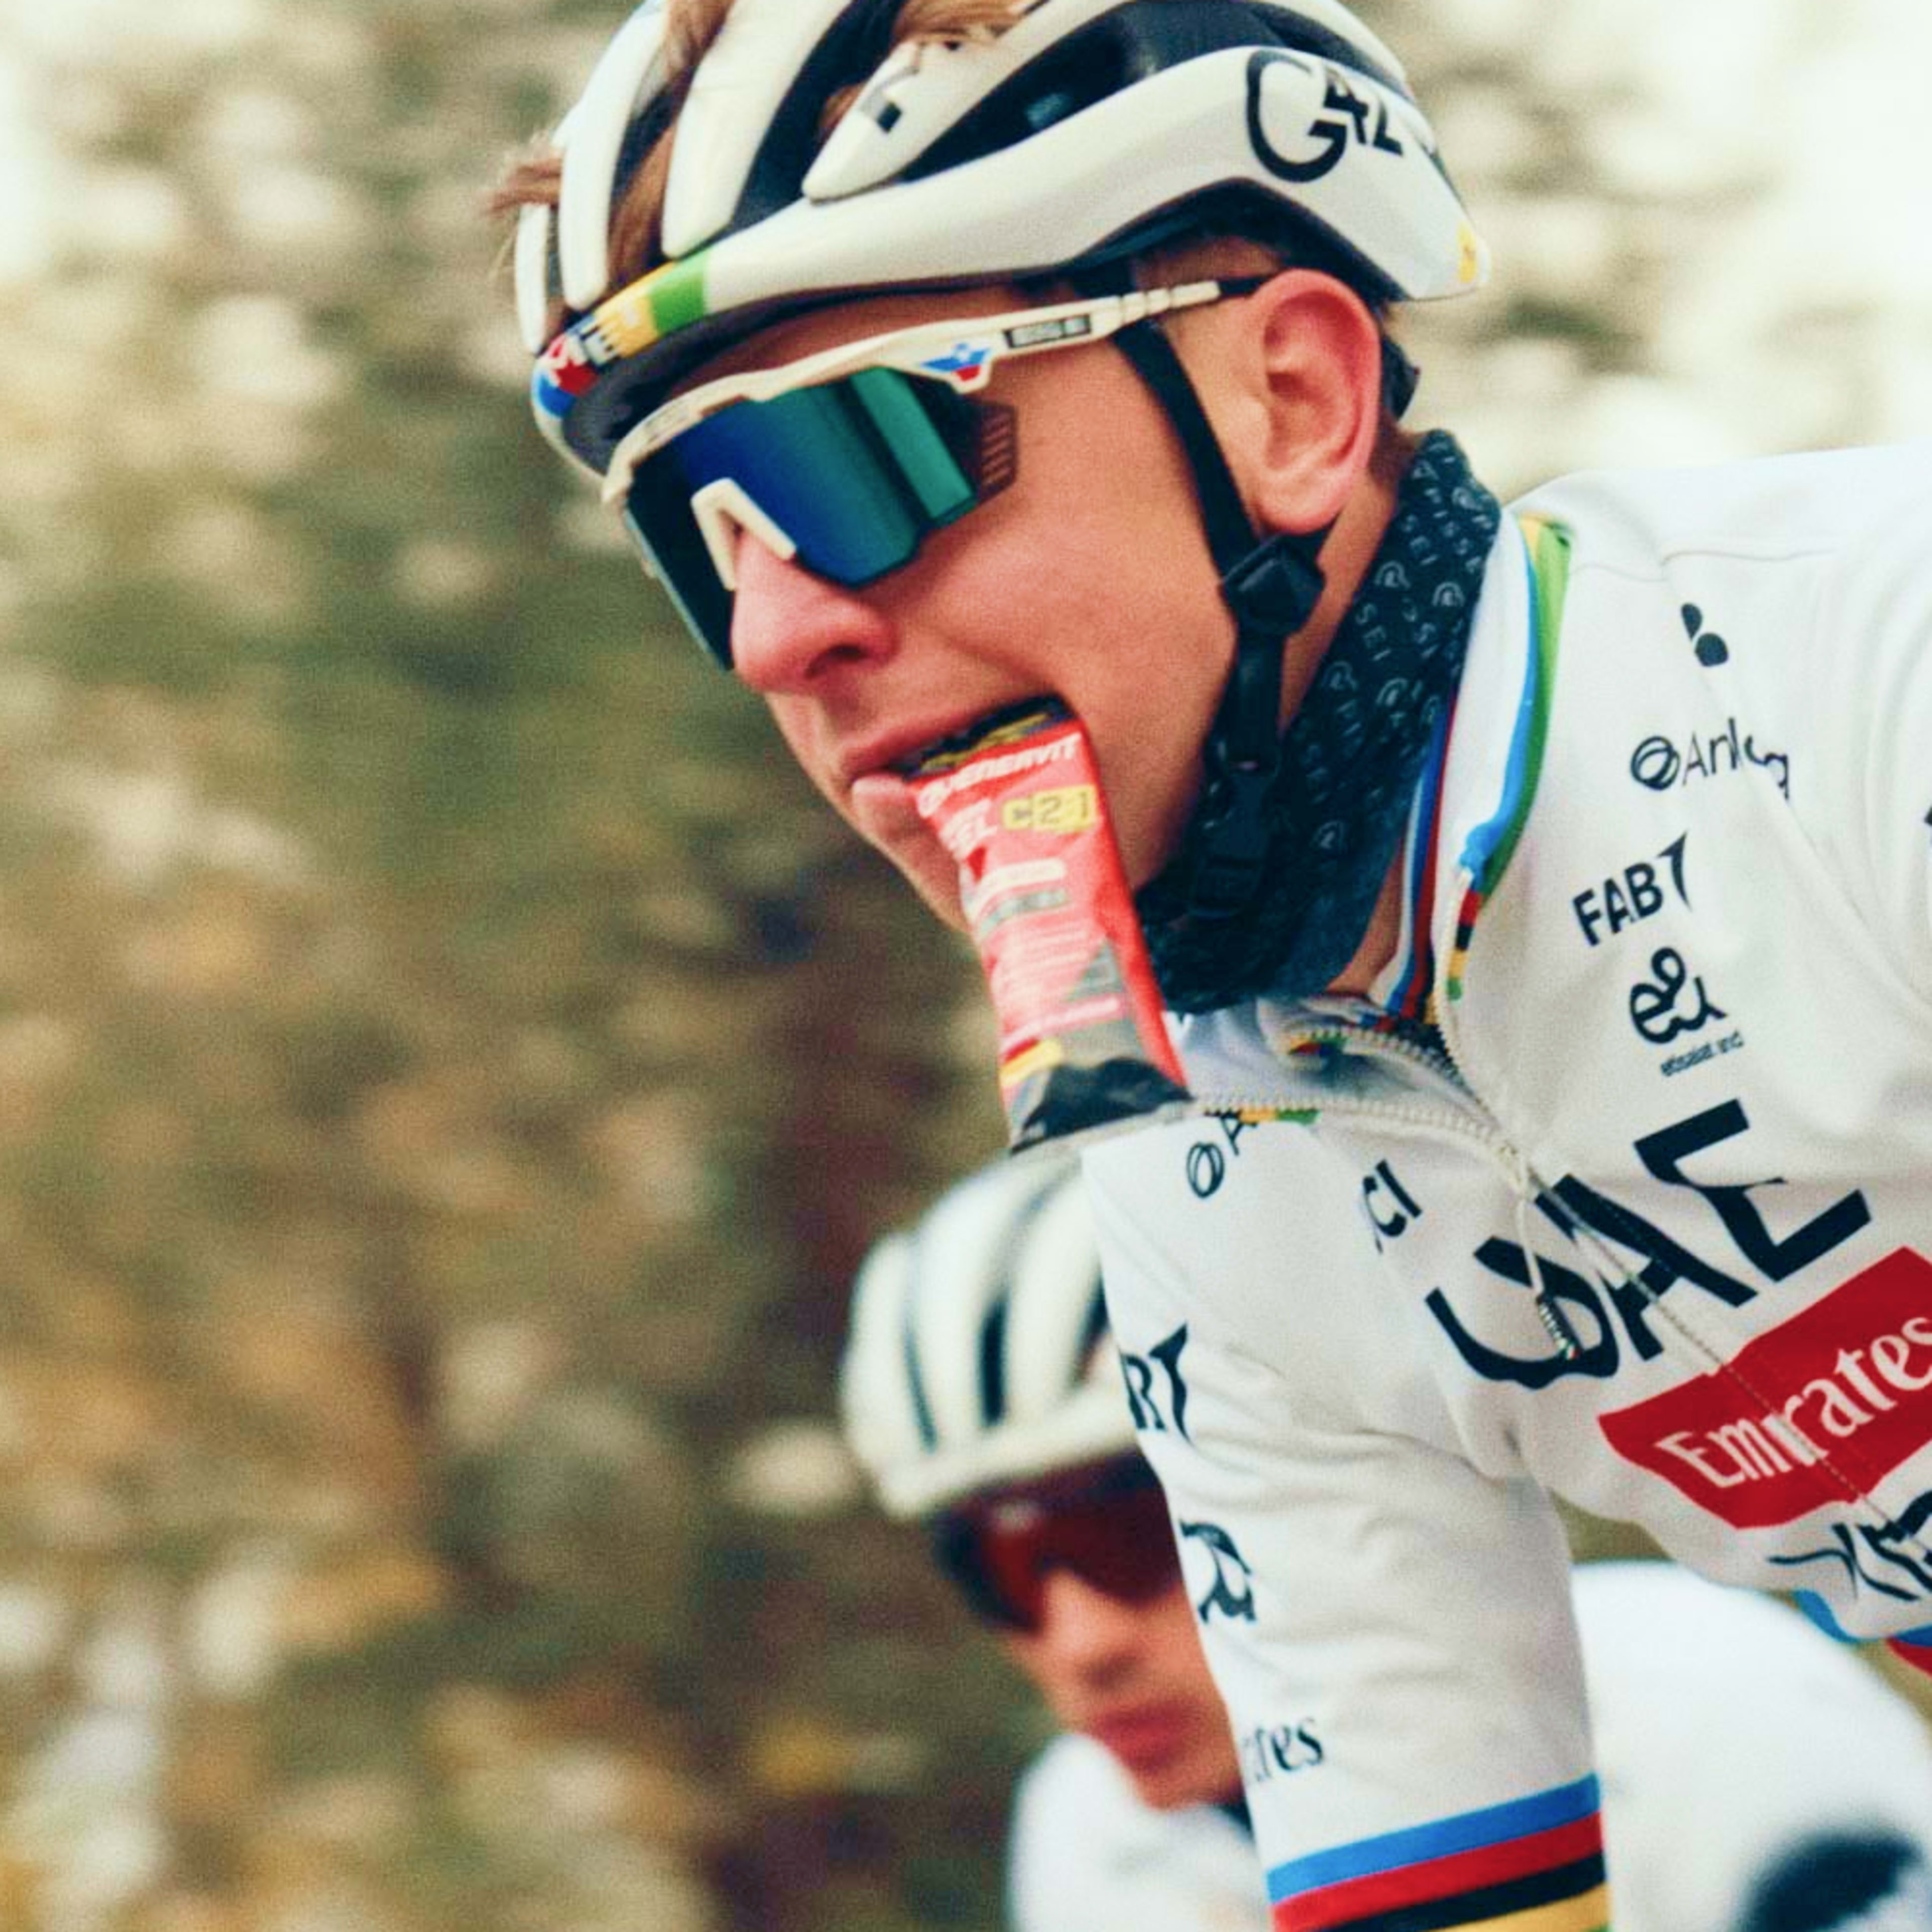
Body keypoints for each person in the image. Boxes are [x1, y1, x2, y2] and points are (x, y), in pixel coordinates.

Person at [498, 1, 1932, 1919]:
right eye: (703, 535)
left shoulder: (1868, 687)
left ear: (1292, 401)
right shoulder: (1199, 1163)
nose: (779, 636)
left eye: (856, 453)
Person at [842, 1153, 1932, 1932]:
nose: (1081, 1645)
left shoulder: (1701, 1689)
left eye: (1134, 1534)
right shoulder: (1088, 1836)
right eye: (1001, 1571)